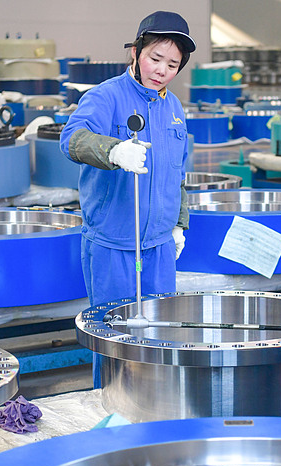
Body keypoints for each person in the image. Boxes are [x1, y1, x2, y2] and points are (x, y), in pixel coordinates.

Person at [60, 11, 194, 309]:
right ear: (135, 52)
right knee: (115, 328)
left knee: (161, 328)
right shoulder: (105, 96)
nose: (161, 70)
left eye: (172, 65)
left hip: (160, 247)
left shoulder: (174, 108)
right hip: (113, 245)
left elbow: (178, 174)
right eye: (155, 58)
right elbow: (71, 139)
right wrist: (114, 151)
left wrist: (178, 225)